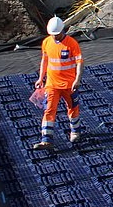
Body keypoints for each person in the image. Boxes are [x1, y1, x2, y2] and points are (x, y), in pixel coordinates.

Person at [33, 16, 83, 150]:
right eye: (52, 34)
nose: (55, 37)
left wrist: (77, 79)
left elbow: (79, 62)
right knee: (49, 110)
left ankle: (75, 131)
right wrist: (40, 78)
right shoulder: (46, 42)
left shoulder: (71, 43)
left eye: (57, 34)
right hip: (52, 85)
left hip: (68, 84)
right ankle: (46, 140)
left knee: (72, 108)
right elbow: (44, 61)